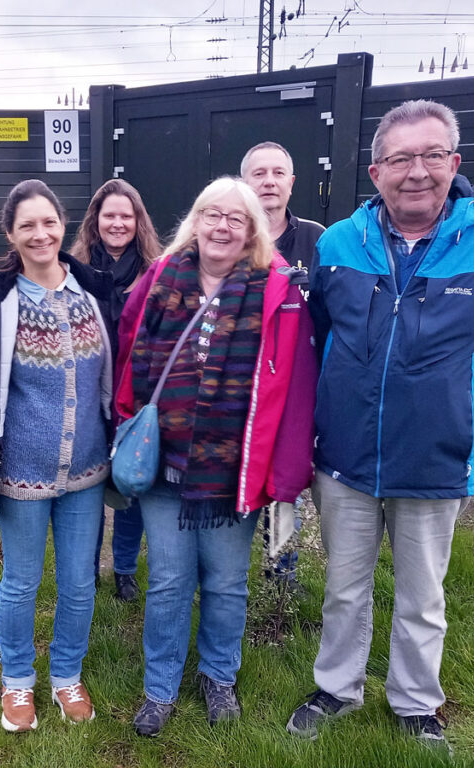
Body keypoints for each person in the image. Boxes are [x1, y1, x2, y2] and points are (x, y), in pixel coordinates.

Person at [287, 100, 474, 752]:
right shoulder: (338, 244)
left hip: (435, 454)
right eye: (400, 159)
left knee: (423, 597)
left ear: (454, 162)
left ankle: (415, 704)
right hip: (345, 453)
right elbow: (319, 338)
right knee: (344, 589)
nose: (416, 171)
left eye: (431, 155)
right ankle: (337, 689)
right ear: (377, 172)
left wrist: (451, 400)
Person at [114, 177, 317, 736]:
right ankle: (159, 689)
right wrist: (124, 419)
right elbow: (127, 350)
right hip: (163, 464)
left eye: (236, 218)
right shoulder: (160, 278)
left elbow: (297, 386)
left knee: (226, 582)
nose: (222, 226)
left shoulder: (277, 291)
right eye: (212, 214)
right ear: (195, 220)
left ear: (252, 231)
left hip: (234, 471)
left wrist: (287, 474)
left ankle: (219, 677)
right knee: (169, 581)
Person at [0, 179, 116, 733]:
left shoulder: (95, 292)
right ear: (11, 234)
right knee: (21, 582)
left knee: (79, 583)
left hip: (88, 472)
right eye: (28, 225)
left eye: (49, 222)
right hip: (20, 476)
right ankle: (17, 680)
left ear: (63, 225)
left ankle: (67, 674)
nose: (40, 234)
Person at [70, 179, 162, 602]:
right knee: (88, 489)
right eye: (110, 215)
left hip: (136, 396)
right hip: (87, 397)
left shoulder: (156, 271)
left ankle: (124, 568)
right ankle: (86, 569)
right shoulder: (73, 271)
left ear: (138, 221)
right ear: (96, 220)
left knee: (131, 484)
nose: (118, 223)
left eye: (126, 215)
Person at [241, 141, 326, 591]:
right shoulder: (230, 238)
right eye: (259, 173)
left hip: (296, 391)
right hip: (243, 392)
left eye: (278, 173)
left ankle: (280, 581)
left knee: (286, 486)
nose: (269, 182)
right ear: (244, 183)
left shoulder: (318, 240)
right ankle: (230, 575)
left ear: (292, 183)